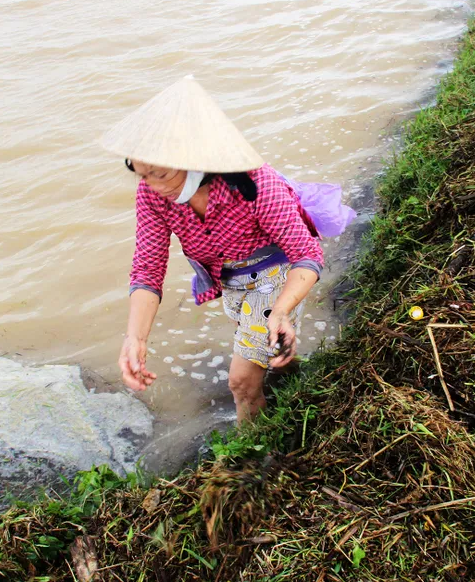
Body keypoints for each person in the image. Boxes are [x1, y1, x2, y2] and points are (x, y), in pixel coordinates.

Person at [101, 75, 324, 421]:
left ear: (198, 160)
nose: (150, 186)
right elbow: (147, 269)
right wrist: (135, 339)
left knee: (240, 381)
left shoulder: (257, 185)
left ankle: (251, 454)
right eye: (140, 173)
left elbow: (307, 256)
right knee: (267, 350)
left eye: (159, 173)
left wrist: (281, 309)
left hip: (276, 273)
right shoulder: (153, 194)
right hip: (231, 278)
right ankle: (292, 377)